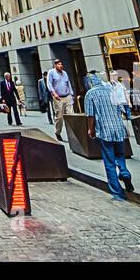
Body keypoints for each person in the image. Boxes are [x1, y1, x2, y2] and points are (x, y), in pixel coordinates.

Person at [84, 73, 133, 202]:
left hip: (105, 131)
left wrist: (91, 129)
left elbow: (90, 115)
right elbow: (120, 110)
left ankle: (118, 193)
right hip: (118, 128)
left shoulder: (90, 94)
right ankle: (124, 173)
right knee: (120, 155)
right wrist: (124, 128)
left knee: (109, 162)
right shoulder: (112, 90)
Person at [45, 59, 74, 142]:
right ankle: (58, 132)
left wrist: (71, 94)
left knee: (71, 115)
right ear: (55, 65)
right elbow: (49, 84)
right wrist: (54, 94)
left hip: (67, 96)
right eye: (58, 64)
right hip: (58, 98)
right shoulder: (51, 72)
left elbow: (68, 84)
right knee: (59, 117)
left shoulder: (65, 73)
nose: (60, 65)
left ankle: (73, 134)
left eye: (61, 64)